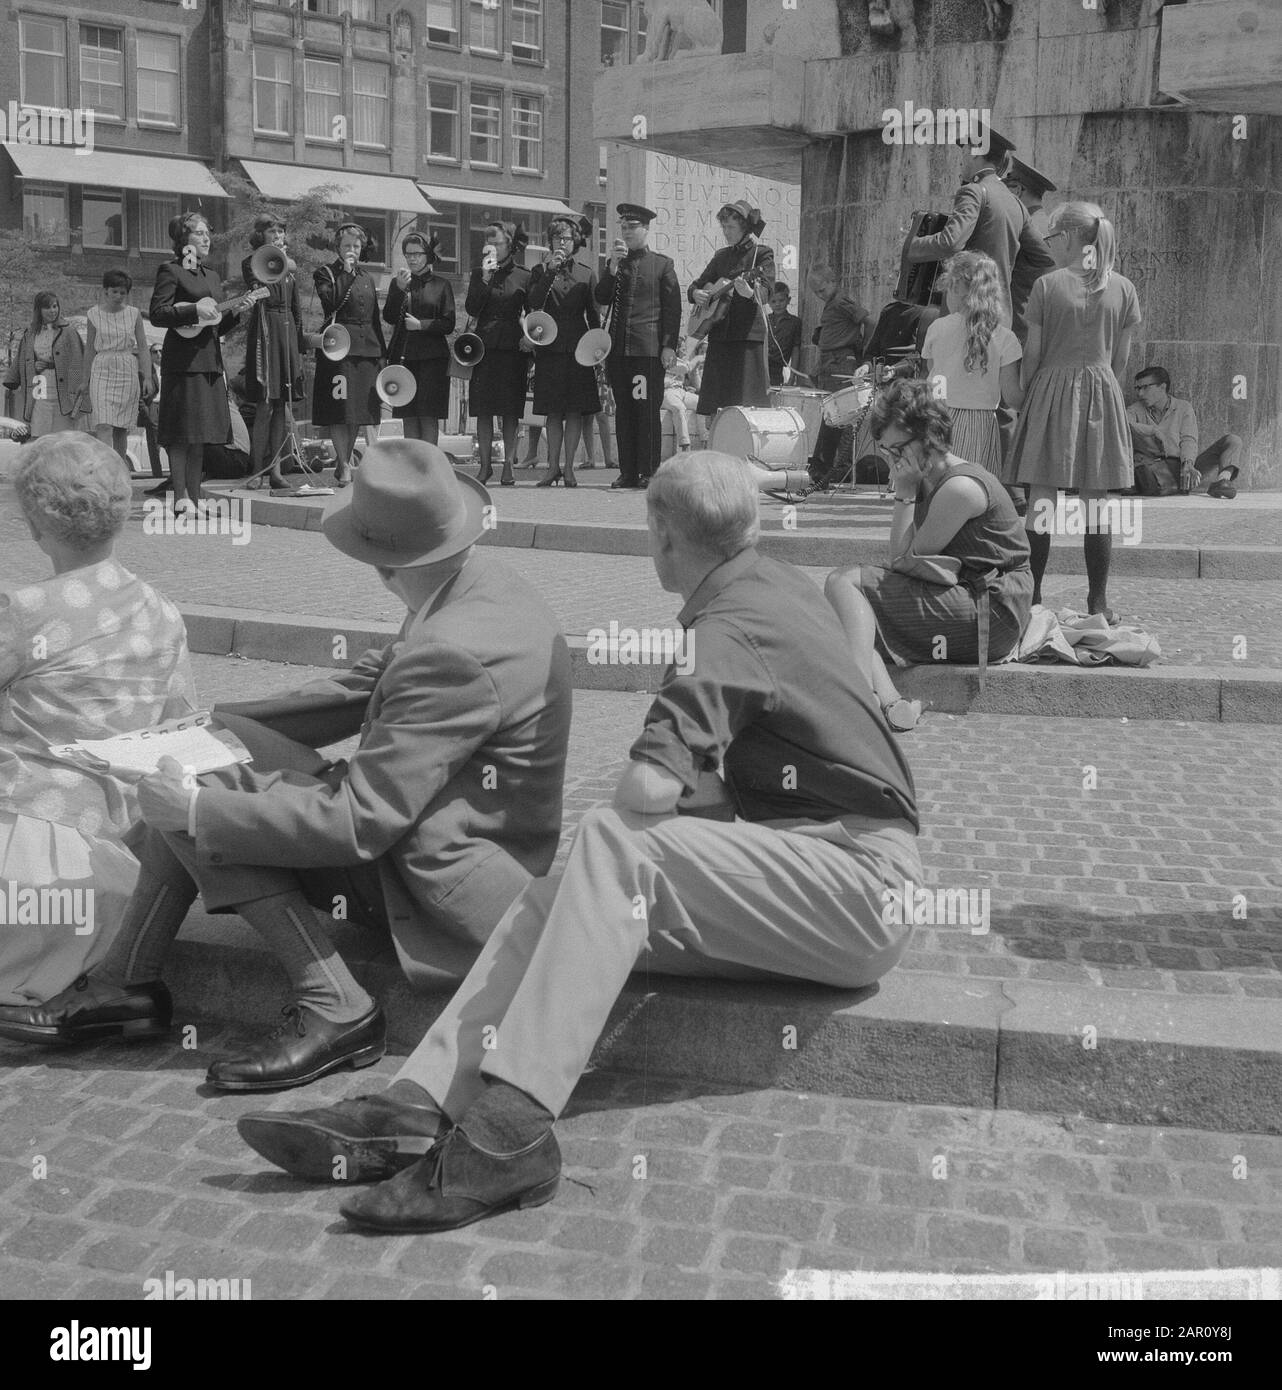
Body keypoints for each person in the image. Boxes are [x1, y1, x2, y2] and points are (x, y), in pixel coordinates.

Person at [233, 450, 922, 1233]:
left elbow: (648, 791)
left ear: (660, 538)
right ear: (750, 525)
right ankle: (418, 1104)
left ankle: (511, 1131)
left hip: (857, 886)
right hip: (823, 872)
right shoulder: (770, 584)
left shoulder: (724, 629)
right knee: (555, 898)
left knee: (614, 836)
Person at [0, 441, 573, 1090]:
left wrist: (196, 807)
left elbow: (359, 823)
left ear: (379, 560)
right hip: (463, 833)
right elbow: (367, 686)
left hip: (442, 878)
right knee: (200, 760)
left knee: (203, 796)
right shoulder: (482, 586)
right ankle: (122, 987)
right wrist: (211, 725)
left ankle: (335, 1004)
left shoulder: (451, 650)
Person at [0, 433, 195, 1010]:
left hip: (18, 855)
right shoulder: (163, 614)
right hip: (110, 878)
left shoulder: (25, 610)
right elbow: (177, 734)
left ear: (35, 526)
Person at [825, 379, 1033, 733]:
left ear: (928, 437)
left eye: (897, 449)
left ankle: (857, 701)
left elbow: (902, 558)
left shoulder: (960, 488)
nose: (893, 460)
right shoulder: (930, 476)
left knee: (844, 584)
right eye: (887, 450)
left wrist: (904, 492)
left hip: (992, 611)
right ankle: (892, 704)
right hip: (966, 594)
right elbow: (907, 563)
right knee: (848, 619)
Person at [1008, 202, 1140, 618]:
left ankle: (1033, 599)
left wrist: (1028, 393)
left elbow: (1033, 353)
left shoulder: (1047, 286)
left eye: (1051, 238)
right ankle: (1097, 600)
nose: (1049, 246)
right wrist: (1102, 387)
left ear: (1067, 238)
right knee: (1096, 504)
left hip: (1051, 389)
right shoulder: (1123, 287)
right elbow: (1121, 360)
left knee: (1042, 501)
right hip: (1102, 392)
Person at [151, 211, 265, 515]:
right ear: (183, 240)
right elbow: (159, 313)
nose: (206, 238)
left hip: (210, 360)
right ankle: (180, 499)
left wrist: (238, 310)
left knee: (201, 435)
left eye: (207, 232)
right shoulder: (170, 271)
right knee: (181, 434)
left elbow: (216, 325)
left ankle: (195, 498)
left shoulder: (212, 276)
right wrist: (194, 310)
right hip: (182, 362)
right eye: (199, 233)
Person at [906, 129, 1055, 342]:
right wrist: (1004, 272)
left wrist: (910, 244)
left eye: (964, 151)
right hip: (1000, 317)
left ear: (975, 151)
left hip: (966, 313)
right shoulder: (1016, 203)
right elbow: (1046, 257)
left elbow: (951, 242)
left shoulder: (973, 191)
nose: (961, 159)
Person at [594, 203, 682, 489]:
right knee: (624, 411)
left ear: (646, 229)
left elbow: (673, 310)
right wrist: (610, 269)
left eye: (633, 227)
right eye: (623, 227)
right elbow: (602, 297)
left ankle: (648, 470)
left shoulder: (662, 264)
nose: (627, 232)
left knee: (645, 410)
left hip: (647, 353)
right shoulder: (617, 264)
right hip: (619, 353)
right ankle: (628, 471)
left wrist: (668, 346)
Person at [921, 251, 1024, 479]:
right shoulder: (1005, 338)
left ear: (956, 286)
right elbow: (1013, 395)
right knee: (972, 484)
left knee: (935, 485)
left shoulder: (937, 328)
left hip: (939, 417)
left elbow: (933, 371)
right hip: (980, 423)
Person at [527, 215, 601, 488]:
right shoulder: (540, 270)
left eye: (566, 238)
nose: (561, 242)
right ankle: (552, 467)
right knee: (553, 412)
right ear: (550, 242)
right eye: (557, 238)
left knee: (574, 412)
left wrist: (597, 351)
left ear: (575, 242)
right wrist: (549, 272)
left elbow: (593, 317)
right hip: (550, 348)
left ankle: (569, 468)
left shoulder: (586, 272)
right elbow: (533, 304)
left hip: (579, 349)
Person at [688, 200, 776, 421]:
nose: (726, 233)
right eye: (724, 227)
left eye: (731, 228)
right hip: (720, 337)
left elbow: (767, 289)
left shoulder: (762, 254)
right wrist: (695, 294)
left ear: (745, 227)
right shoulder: (721, 256)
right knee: (716, 407)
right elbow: (698, 284)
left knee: (746, 406)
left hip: (747, 338)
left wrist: (750, 293)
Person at [314, 222, 386, 489]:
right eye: (347, 246)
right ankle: (343, 464)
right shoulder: (325, 274)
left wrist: (382, 354)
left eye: (356, 246)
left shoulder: (367, 277)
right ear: (338, 248)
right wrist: (344, 273)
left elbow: (375, 319)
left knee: (357, 410)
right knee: (339, 409)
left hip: (366, 349)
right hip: (338, 348)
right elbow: (330, 303)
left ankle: (345, 460)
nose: (352, 250)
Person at [466, 221, 531, 487]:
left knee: (509, 411)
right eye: (488, 245)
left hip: (512, 350)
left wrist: (530, 338)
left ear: (510, 245)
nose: (492, 249)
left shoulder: (525, 276)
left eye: (497, 244)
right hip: (483, 348)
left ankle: (508, 466)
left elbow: (533, 312)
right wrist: (483, 278)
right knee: (483, 409)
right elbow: (472, 308)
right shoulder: (478, 274)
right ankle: (484, 466)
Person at [242, 213, 304, 491]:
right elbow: (259, 291)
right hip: (265, 331)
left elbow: (296, 308)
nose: (278, 235)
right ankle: (257, 470)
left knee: (281, 405)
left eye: (281, 230)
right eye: (272, 231)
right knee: (265, 404)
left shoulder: (289, 269)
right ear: (261, 235)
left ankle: (276, 471)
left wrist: (299, 343)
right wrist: (279, 260)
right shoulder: (252, 262)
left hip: (286, 331)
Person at [382, 231, 455, 447]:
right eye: (408, 254)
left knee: (428, 414)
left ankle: (429, 467)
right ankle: (412, 468)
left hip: (433, 359)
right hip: (405, 357)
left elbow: (448, 324)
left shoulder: (442, 284)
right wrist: (398, 290)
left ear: (428, 255)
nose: (412, 259)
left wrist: (421, 325)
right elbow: (389, 316)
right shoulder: (401, 282)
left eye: (417, 253)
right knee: (409, 414)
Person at [1126, 366, 1242, 499]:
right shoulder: (1135, 409)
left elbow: (1189, 439)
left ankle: (1222, 482)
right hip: (1154, 470)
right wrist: (1152, 430)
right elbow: (1123, 425)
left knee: (1233, 440)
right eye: (1138, 388)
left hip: (1184, 469)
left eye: (1145, 387)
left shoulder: (1183, 407)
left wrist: (1188, 464)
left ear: (1162, 387)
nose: (1140, 393)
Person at [806, 263, 875, 485]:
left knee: (838, 418)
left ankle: (830, 469)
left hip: (840, 362)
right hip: (829, 362)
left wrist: (865, 353)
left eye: (822, 290)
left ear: (833, 282)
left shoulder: (842, 302)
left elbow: (870, 322)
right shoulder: (831, 303)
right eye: (816, 292)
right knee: (832, 417)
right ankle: (824, 468)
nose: (819, 295)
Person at [85, 270, 152, 463]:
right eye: (114, 291)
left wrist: (147, 377)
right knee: (103, 423)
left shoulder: (134, 314)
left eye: (123, 292)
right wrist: (84, 379)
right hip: (102, 367)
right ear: (105, 291)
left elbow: (143, 347)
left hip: (126, 368)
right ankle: (106, 469)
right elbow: (89, 348)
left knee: (121, 427)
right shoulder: (93, 314)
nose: (118, 296)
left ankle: (121, 469)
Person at [2, 293, 87, 438]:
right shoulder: (30, 333)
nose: (52, 311)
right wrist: (30, 368)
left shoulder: (69, 332)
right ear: (39, 310)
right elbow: (22, 359)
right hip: (39, 392)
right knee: (39, 436)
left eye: (55, 306)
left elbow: (78, 361)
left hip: (64, 394)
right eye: (47, 307)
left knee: (63, 438)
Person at [661, 336, 705, 454]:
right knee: (679, 408)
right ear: (676, 349)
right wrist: (697, 359)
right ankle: (685, 446)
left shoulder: (683, 360)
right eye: (683, 349)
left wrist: (694, 372)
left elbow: (697, 384)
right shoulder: (668, 358)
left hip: (681, 391)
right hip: (667, 391)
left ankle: (705, 440)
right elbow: (685, 368)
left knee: (703, 403)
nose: (685, 352)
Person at [765, 281, 802, 386]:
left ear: (788, 300)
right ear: (768, 302)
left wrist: (792, 378)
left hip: (777, 369)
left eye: (781, 300)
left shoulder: (795, 322)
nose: (777, 304)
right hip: (761, 367)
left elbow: (796, 349)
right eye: (773, 301)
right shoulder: (765, 320)